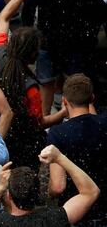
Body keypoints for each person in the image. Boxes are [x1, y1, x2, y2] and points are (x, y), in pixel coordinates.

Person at [0, 0, 67, 169]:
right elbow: (40, 123)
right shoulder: (30, 88)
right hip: (23, 145)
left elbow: (4, 15)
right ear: (32, 56)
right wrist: (64, 112)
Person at [22, 0, 107, 115]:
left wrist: (91, 34)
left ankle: (72, 122)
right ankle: (44, 123)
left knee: (74, 84)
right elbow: (29, 4)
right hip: (48, 38)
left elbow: (95, 3)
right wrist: (30, 37)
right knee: (46, 83)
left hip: (77, 41)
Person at [0, 145, 100, 226]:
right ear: (38, 192)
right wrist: (60, 158)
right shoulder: (53, 219)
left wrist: (0, 186)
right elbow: (91, 192)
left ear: (9, 195)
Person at [47, 74, 107, 224]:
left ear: (64, 101)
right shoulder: (104, 124)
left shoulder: (58, 133)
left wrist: (48, 192)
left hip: (77, 212)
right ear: (92, 98)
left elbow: (58, 186)